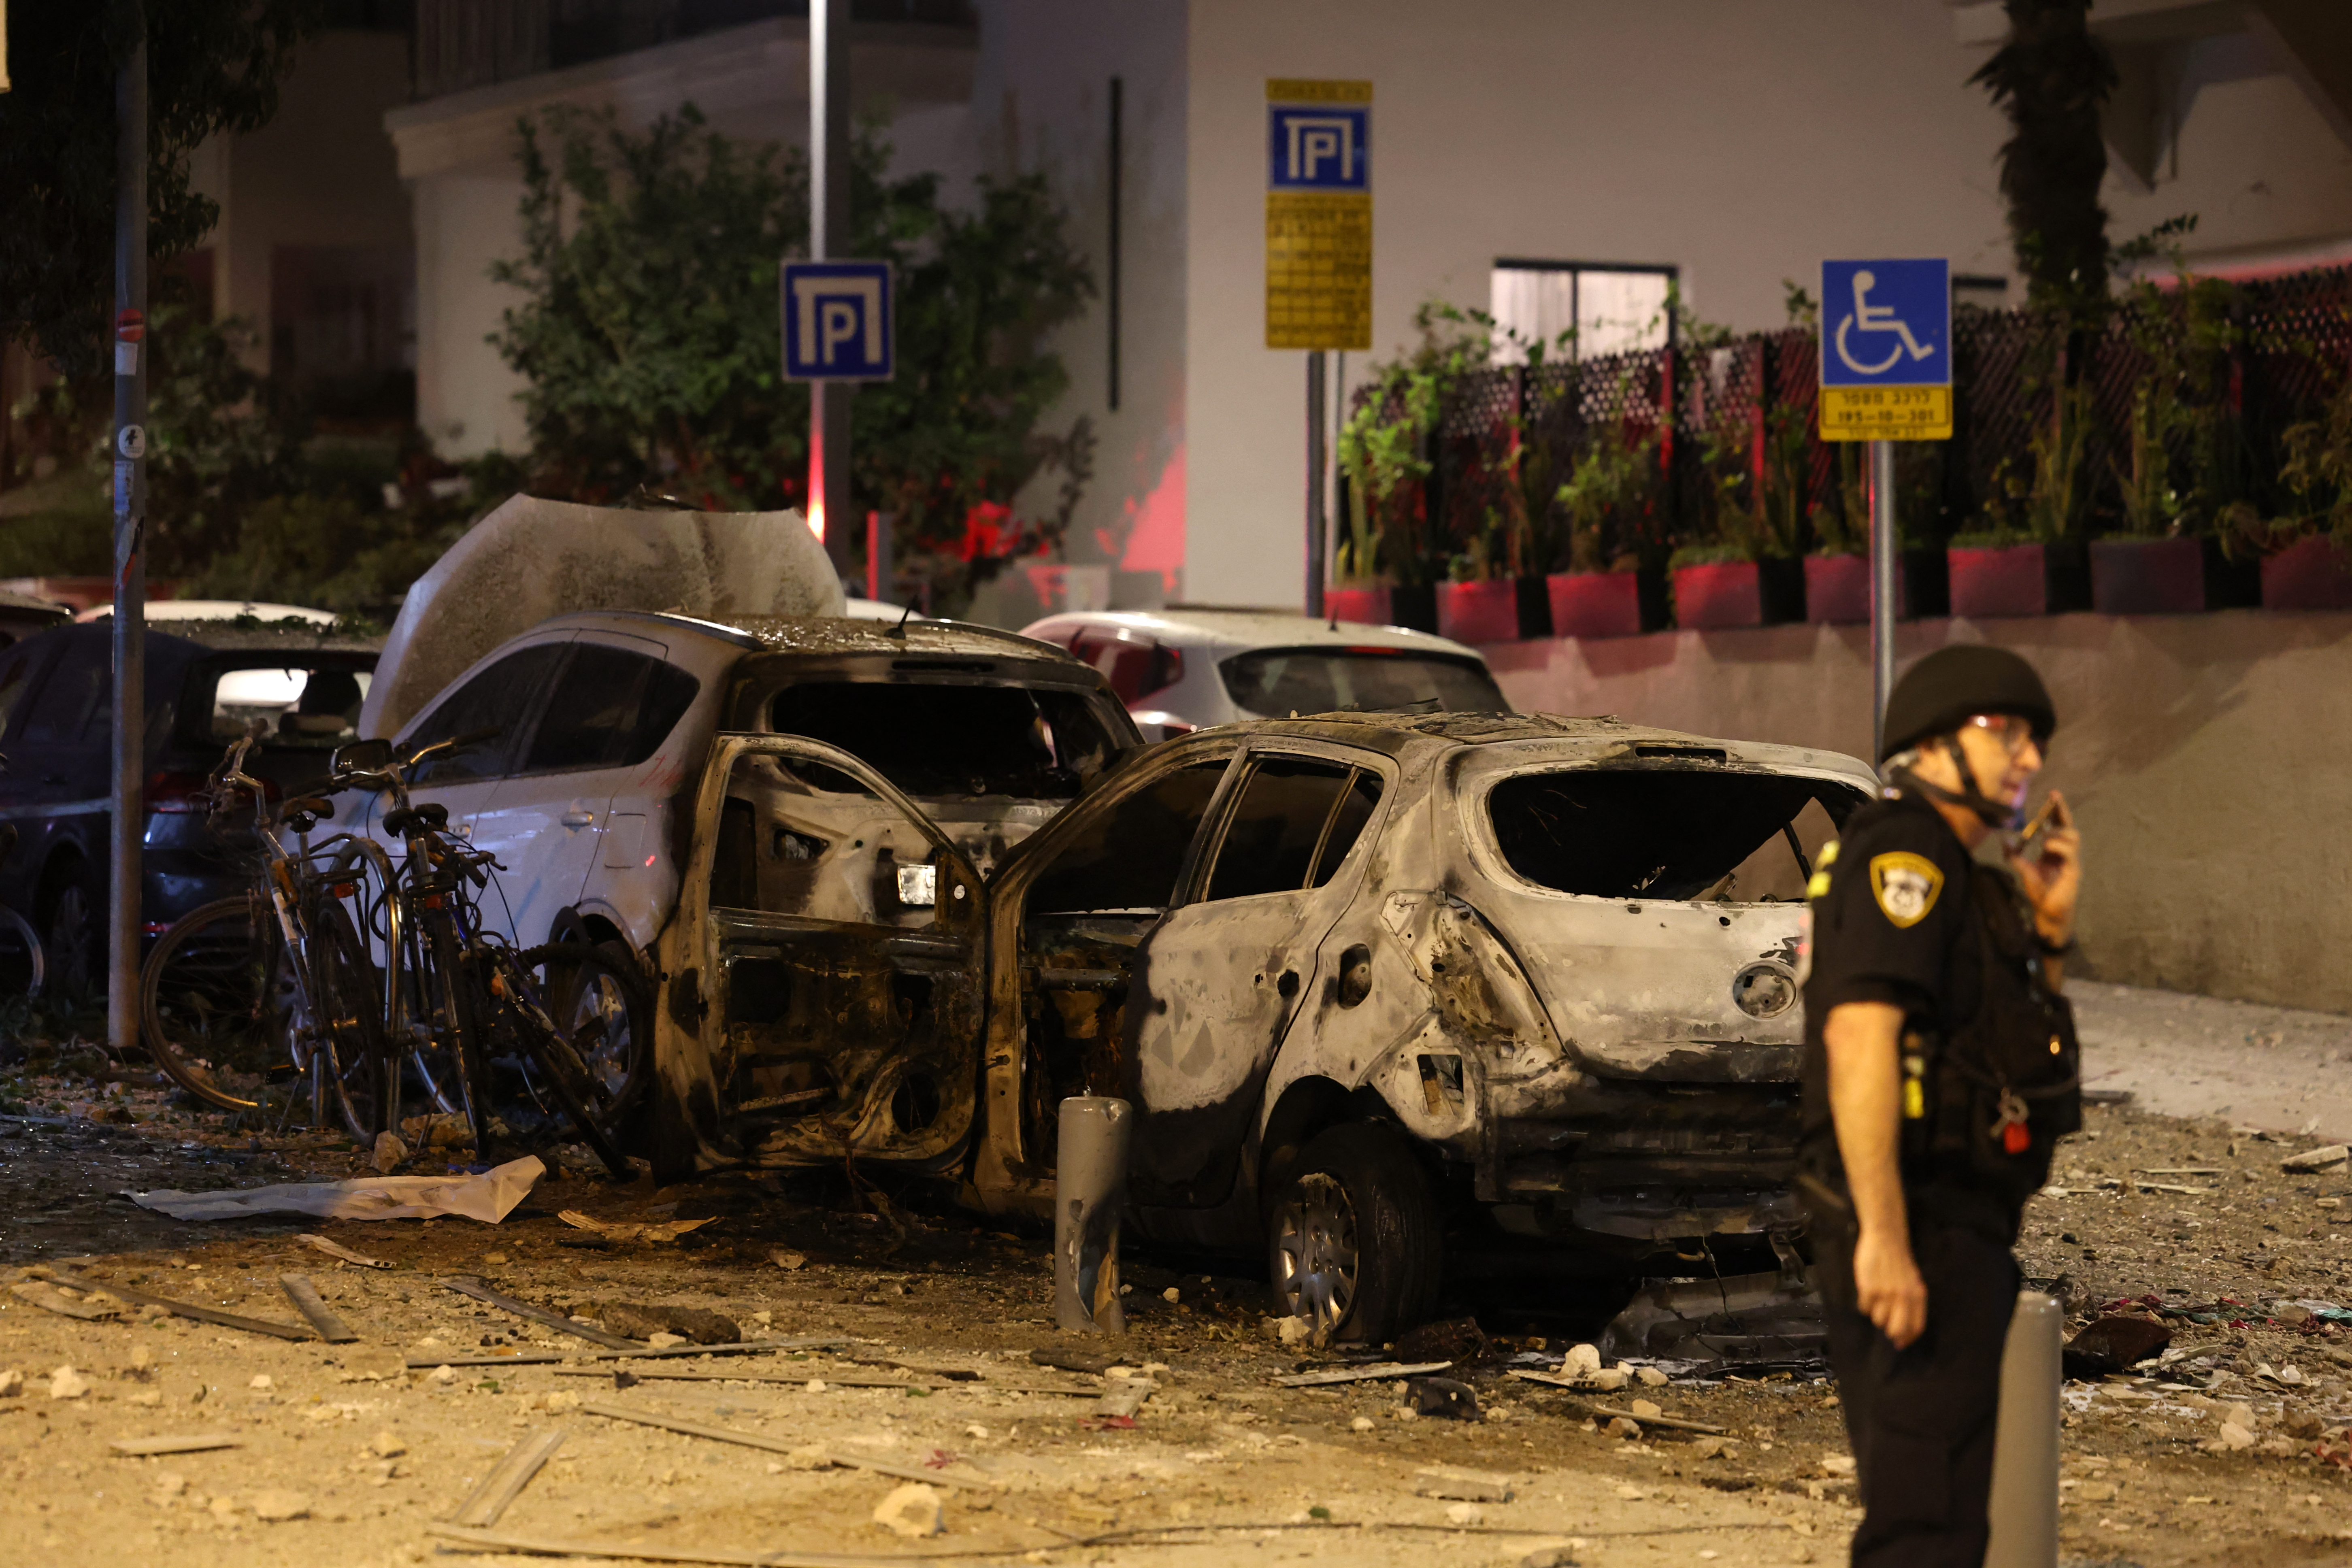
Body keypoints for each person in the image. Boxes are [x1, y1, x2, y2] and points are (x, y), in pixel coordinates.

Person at [1796, 644, 2084, 1568]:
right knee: (1921, 1528)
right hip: (1913, 1227)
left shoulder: (1967, 878)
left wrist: (2047, 932)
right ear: (1928, 744)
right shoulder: (1902, 856)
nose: (2029, 758)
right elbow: (1861, 1041)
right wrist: (1882, 1233)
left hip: (1961, 1234)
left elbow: (2009, 1053)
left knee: (1950, 1518)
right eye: (2006, 733)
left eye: (2034, 739)